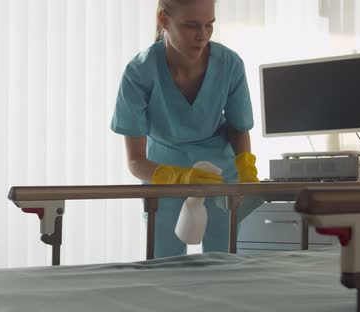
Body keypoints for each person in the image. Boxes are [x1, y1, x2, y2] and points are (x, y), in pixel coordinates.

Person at [111, 0, 259, 258]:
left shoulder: (229, 65)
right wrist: (177, 177)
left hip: (220, 175)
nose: (202, 36)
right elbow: (135, 161)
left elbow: (238, 128)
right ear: (164, 20)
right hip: (163, 177)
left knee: (225, 266)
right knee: (165, 267)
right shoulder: (140, 72)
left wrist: (246, 168)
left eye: (209, 25)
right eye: (191, 26)